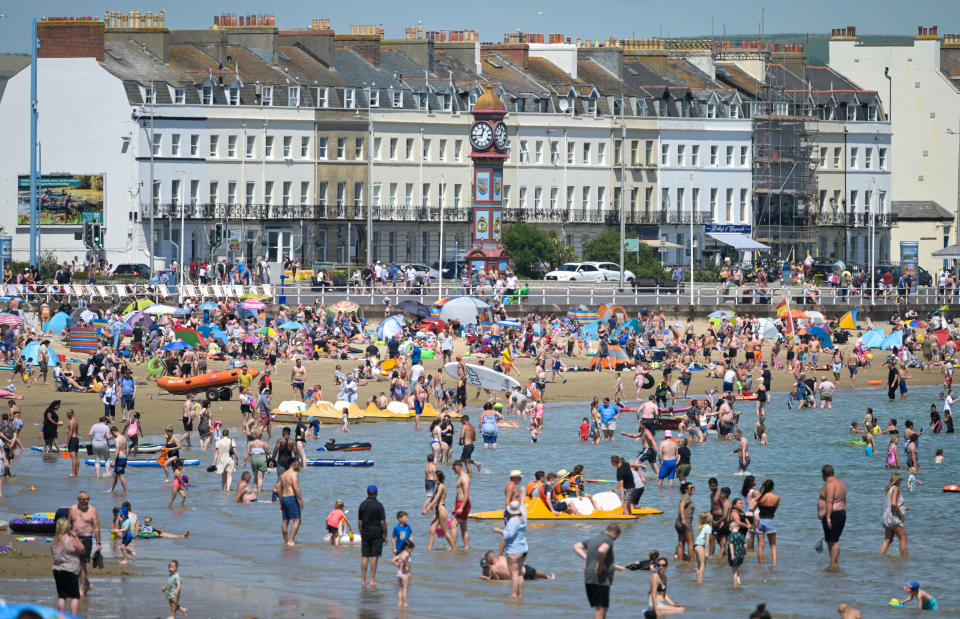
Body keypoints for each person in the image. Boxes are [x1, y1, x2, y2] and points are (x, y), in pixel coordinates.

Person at [572, 524, 625, 619]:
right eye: (617, 537)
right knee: (601, 609)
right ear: (614, 533)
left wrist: (587, 559)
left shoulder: (593, 539)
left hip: (589, 578)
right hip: (600, 579)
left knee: (599, 608)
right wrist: (600, 563)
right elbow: (602, 550)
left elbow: (576, 546)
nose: (616, 539)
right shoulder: (608, 539)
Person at [68, 491, 101, 597]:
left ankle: (81, 588)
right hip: (73, 539)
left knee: (82, 565)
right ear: (79, 500)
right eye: (84, 499)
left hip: (86, 539)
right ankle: (87, 584)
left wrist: (98, 543)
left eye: (88, 499)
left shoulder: (92, 510)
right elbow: (68, 524)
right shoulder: (72, 509)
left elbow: (96, 527)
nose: (86, 501)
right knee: (73, 565)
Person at [494, 500, 528, 599]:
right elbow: (523, 506)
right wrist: (522, 493)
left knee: (514, 574)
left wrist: (498, 530)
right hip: (523, 549)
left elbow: (508, 535)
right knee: (520, 573)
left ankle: (514, 595)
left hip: (514, 551)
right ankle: (520, 595)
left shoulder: (513, 521)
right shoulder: (524, 517)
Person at [50, 517, 84, 615]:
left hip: (57, 570)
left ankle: (60, 615)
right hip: (70, 570)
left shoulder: (54, 541)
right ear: (67, 528)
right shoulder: (70, 539)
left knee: (61, 596)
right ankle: (73, 615)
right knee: (75, 596)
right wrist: (76, 537)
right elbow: (82, 550)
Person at [818, 464, 847, 568]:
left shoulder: (830, 483)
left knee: (833, 541)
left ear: (824, 474)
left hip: (833, 514)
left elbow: (829, 500)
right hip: (840, 513)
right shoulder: (841, 483)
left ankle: (833, 564)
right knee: (832, 540)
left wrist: (828, 517)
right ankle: (833, 562)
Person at [359, 485, 387, 586]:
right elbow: (383, 522)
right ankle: (372, 579)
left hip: (365, 533)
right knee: (374, 556)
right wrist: (386, 534)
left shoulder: (362, 505)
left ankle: (363, 580)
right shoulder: (379, 505)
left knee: (365, 556)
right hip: (377, 534)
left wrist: (362, 534)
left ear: (367, 493)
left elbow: (360, 522)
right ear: (376, 493)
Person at [423, 469, 455, 550]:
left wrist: (427, 508)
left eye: (434, 476)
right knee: (431, 530)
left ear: (438, 477)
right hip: (438, 511)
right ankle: (429, 550)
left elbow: (436, 499)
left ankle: (453, 549)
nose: (433, 477)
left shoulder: (441, 486)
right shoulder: (438, 485)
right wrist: (434, 512)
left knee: (445, 531)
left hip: (442, 510)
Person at [752, 479, 780, 567]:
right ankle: (774, 564)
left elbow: (751, 508)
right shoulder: (777, 497)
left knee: (760, 545)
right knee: (773, 544)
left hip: (760, 521)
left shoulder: (760, 497)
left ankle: (761, 564)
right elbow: (775, 509)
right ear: (772, 487)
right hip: (769, 520)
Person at [276, 459, 303, 546]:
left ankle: (286, 541)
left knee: (285, 521)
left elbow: (278, 487)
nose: (299, 467)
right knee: (297, 520)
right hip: (291, 498)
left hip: (284, 498)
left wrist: (281, 500)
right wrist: (301, 499)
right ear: (294, 464)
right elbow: (295, 488)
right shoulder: (294, 474)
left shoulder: (282, 475)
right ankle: (291, 541)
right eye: (298, 465)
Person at [480, 550, 554, 581]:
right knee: (536, 574)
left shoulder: (493, 569)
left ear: (489, 561)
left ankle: (548, 578)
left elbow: (497, 581)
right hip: (524, 570)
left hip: (519, 579)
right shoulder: (501, 558)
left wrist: (488, 579)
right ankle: (548, 577)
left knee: (534, 577)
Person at [880, 473, 908, 556]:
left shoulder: (888, 489)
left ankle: (881, 556)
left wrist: (903, 508)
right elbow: (893, 504)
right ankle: (905, 557)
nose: (901, 482)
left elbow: (890, 504)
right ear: (897, 480)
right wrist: (901, 514)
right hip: (894, 518)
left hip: (887, 517)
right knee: (903, 538)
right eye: (900, 480)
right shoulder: (895, 489)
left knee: (888, 539)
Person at [452, 460, 471, 549]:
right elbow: (457, 494)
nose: (454, 470)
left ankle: (452, 546)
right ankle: (466, 547)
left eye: (454, 468)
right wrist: (454, 507)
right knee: (463, 526)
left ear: (459, 467)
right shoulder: (459, 477)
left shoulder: (464, 477)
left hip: (463, 503)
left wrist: (461, 507)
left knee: (453, 524)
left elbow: (466, 493)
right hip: (460, 503)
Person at [674, 482, 695, 561]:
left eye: (693, 488)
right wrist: (683, 519)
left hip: (678, 522)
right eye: (691, 488)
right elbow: (681, 506)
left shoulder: (685, 496)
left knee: (681, 542)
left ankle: (680, 560)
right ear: (686, 490)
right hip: (685, 522)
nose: (693, 489)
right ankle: (692, 561)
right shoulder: (686, 497)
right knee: (690, 543)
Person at [392, 539, 414, 608]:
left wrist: (398, 565)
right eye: (411, 549)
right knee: (405, 589)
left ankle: (399, 603)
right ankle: (405, 603)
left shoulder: (401, 553)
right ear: (407, 548)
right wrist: (404, 565)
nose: (412, 551)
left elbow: (393, 560)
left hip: (399, 573)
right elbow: (404, 559)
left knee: (400, 589)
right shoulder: (407, 554)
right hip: (404, 573)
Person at [693, 512, 712, 583]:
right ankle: (700, 582)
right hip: (700, 547)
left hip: (696, 546)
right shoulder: (708, 527)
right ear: (708, 519)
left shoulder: (702, 526)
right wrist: (706, 551)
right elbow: (707, 541)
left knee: (699, 565)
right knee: (703, 565)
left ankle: (698, 580)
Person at [109, 425, 129, 493]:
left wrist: (113, 461)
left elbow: (117, 450)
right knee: (115, 474)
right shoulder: (124, 438)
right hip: (123, 458)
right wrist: (126, 460)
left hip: (119, 458)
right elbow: (127, 449)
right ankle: (111, 489)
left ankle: (126, 490)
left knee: (121, 475)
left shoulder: (117, 439)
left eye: (112, 434)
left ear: (113, 432)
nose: (112, 435)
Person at [728, 520, 746, 586]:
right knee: (737, 569)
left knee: (734, 571)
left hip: (734, 555)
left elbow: (731, 545)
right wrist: (745, 552)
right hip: (741, 555)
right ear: (738, 528)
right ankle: (739, 581)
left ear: (730, 529)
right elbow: (745, 545)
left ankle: (734, 584)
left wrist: (732, 555)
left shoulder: (731, 536)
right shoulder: (741, 535)